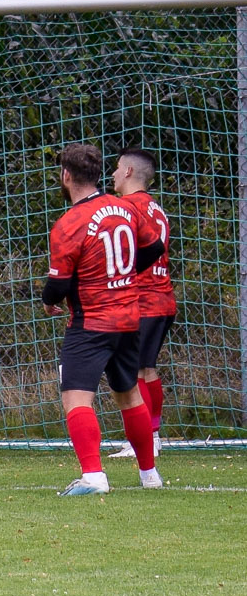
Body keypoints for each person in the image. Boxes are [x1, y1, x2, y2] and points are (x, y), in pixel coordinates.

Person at [44, 143, 165, 495]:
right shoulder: (125, 207)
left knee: (76, 398)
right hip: (128, 317)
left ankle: (94, 477)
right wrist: (122, 275)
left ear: (66, 176)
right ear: (98, 175)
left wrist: (49, 301)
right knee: (129, 395)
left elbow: (58, 285)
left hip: (92, 323)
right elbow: (155, 247)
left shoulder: (69, 224)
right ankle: (150, 475)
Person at [109, 146, 175, 459]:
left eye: (117, 167)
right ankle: (153, 435)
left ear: (129, 171)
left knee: (134, 372)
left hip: (144, 300)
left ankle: (145, 441)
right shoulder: (156, 209)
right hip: (163, 298)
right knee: (147, 369)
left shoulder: (128, 208)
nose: (113, 174)